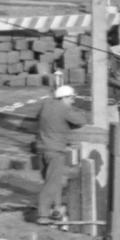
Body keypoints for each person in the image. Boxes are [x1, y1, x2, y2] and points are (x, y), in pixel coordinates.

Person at [34, 84, 87, 225]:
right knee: (51, 183)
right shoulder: (64, 108)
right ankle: (43, 215)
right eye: (71, 98)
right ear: (64, 98)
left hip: (41, 149)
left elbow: (38, 117)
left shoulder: (45, 105)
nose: (73, 101)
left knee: (51, 180)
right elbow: (81, 121)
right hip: (56, 150)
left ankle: (57, 208)